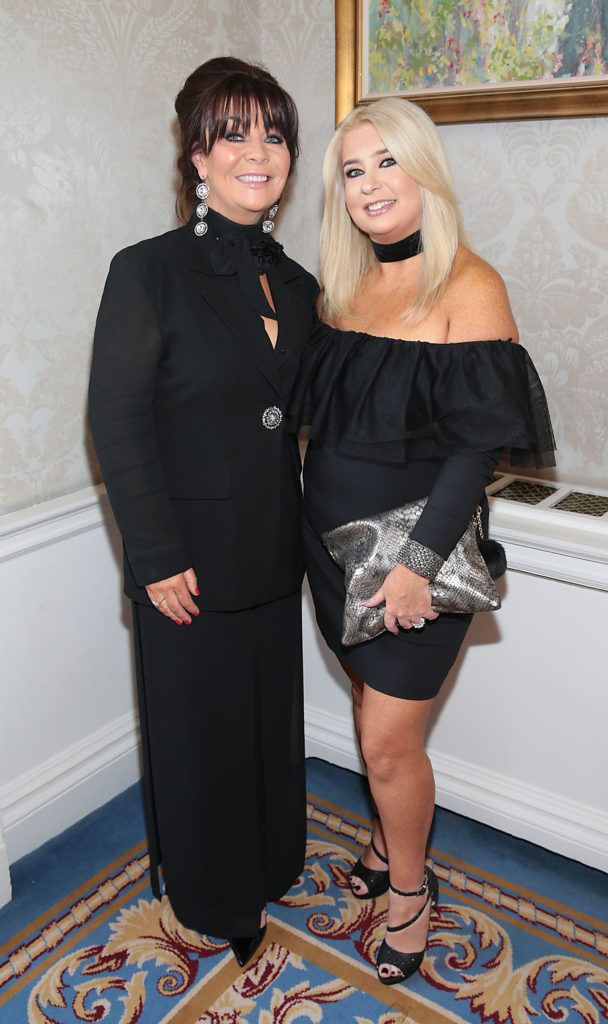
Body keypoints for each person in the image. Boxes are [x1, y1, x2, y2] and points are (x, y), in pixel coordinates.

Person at [288, 98, 555, 985]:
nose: (368, 185)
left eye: (385, 163)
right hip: (331, 549)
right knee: (371, 714)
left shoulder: (469, 285)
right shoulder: (346, 281)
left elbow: (477, 449)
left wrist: (416, 569)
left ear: (423, 170)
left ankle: (409, 894)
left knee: (387, 745)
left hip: (412, 560)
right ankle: (380, 840)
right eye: (352, 171)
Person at [88, 57, 318, 967]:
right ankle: (218, 891)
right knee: (203, 736)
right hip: (183, 557)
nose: (257, 152)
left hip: (272, 543)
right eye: (234, 132)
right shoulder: (148, 271)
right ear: (196, 154)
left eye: (274, 132)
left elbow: (300, 409)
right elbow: (116, 416)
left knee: (266, 721)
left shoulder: (297, 284)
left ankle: (271, 857)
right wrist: (151, 554)